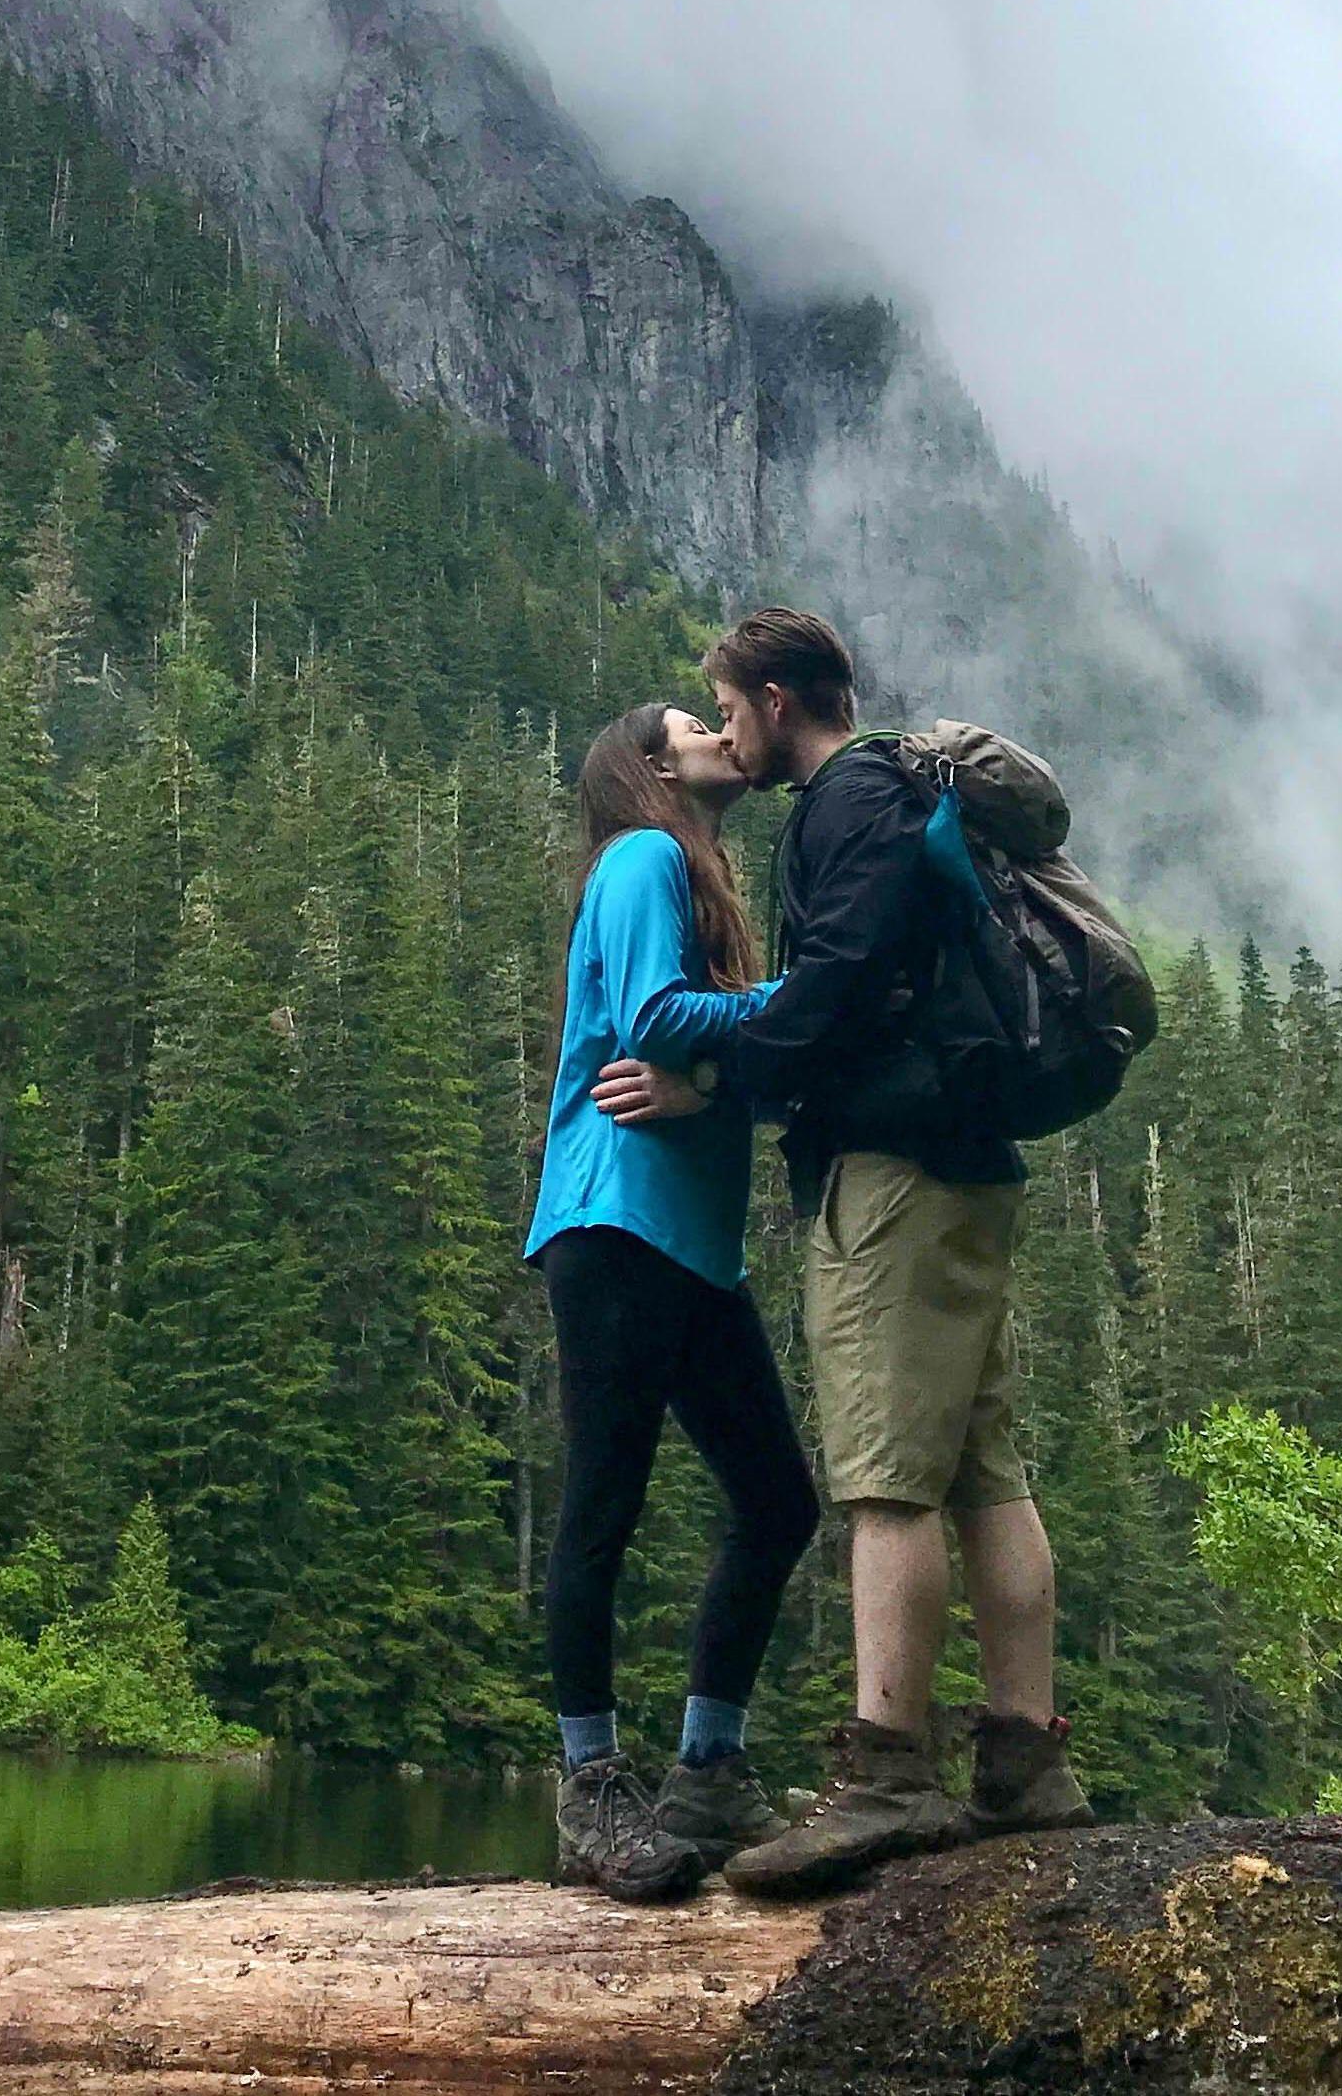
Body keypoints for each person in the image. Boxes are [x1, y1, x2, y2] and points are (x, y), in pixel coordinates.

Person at [632, 607, 1094, 1896]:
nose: (722, 729)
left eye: (725, 706)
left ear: (776, 699)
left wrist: (716, 1073)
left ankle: (886, 1771)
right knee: (980, 1467)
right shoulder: (896, 791)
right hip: (962, 1163)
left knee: (886, 1475)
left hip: (891, 1173)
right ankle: (1021, 1760)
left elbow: (833, 987)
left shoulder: (848, 801)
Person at [527, 701, 821, 1902]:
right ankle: (590, 1786)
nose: (717, 732)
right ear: (654, 764)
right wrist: (804, 1000)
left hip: (690, 1247)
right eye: (697, 722)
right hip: (612, 1220)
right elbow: (650, 1016)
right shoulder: (643, 855)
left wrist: (716, 1077)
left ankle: (705, 1765)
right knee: (602, 1503)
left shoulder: (690, 872)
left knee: (775, 1500)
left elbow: (692, 1057)